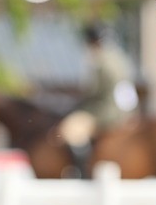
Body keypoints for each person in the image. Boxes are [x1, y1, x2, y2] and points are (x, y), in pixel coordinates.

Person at [57, 23, 137, 172]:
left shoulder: (99, 61)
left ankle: (80, 170)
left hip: (106, 111)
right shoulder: (120, 58)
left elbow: (93, 92)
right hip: (127, 111)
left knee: (69, 130)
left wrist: (77, 105)